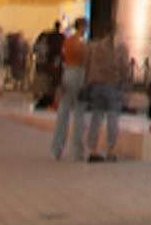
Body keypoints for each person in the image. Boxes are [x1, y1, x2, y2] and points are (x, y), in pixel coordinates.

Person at [83, 24, 125, 162]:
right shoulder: (120, 48)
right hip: (112, 85)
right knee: (112, 117)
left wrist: (87, 81)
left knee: (96, 117)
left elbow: (88, 64)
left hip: (97, 85)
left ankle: (92, 149)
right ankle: (110, 150)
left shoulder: (95, 47)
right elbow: (123, 67)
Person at [50, 17, 89, 160]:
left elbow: (63, 58)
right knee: (79, 112)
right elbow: (85, 60)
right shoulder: (82, 44)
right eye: (85, 27)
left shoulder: (67, 41)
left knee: (63, 112)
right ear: (82, 27)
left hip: (67, 73)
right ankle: (77, 150)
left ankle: (57, 148)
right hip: (78, 74)